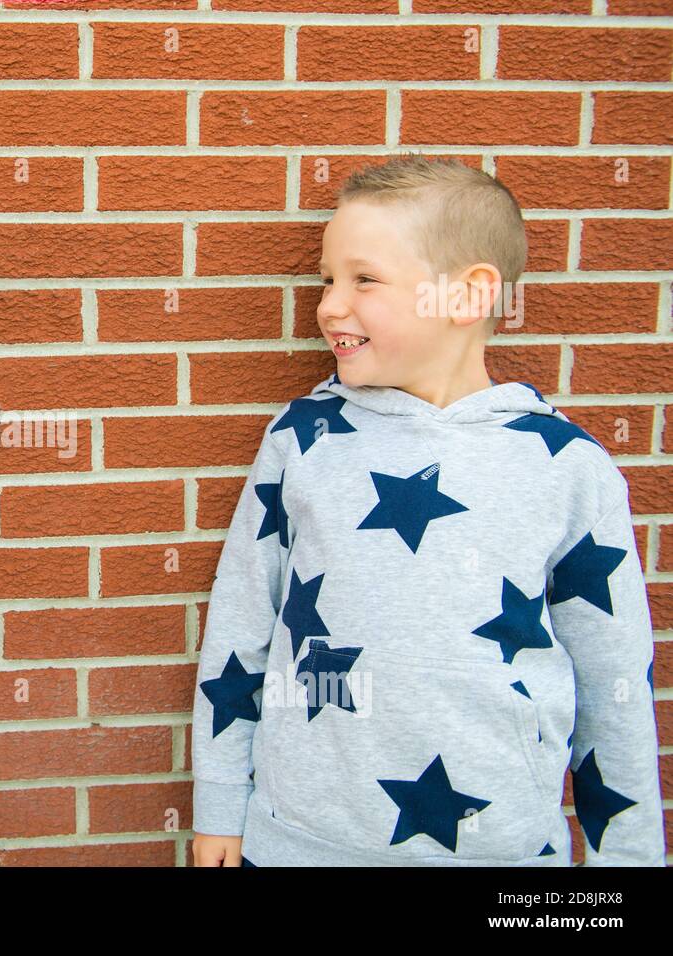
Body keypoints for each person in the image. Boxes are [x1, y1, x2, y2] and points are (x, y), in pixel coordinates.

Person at [190, 155, 664, 867]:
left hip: (498, 851)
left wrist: (626, 858)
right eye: (326, 280)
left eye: (364, 279)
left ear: (468, 296)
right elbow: (242, 621)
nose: (329, 306)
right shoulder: (303, 439)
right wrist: (221, 801)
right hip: (299, 840)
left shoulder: (566, 466)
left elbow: (615, 681)